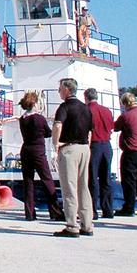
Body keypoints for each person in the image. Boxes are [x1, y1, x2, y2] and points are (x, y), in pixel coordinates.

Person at [51, 77, 94, 238]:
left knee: (69, 188)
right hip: (84, 148)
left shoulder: (65, 107)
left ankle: (71, 225)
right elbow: (90, 130)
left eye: (60, 89)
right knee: (83, 186)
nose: (59, 92)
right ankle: (87, 224)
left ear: (67, 90)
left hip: (69, 148)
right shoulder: (85, 108)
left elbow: (57, 125)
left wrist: (55, 144)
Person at [17, 92, 63, 222]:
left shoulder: (22, 119)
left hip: (26, 150)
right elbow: (48, 133)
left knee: (28, 182)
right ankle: (55, 211)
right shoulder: (39, 119)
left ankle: (30, 213)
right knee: (47, 180)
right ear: (35, 103)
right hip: (38, 151)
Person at [113, 93, 137, 216]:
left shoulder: (126, 116)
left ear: (125, 103)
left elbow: (116, 128)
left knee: (129, 181)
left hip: (130, 152)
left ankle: (129, 208)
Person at [85, 87, 115, 219]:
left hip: (94, 145)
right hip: (107, 145)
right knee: (106, 178)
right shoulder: (107, 111)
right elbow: (112, 127)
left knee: (92, 179)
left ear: (86, 97)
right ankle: (107, 209)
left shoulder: (87, 111)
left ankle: (92, 210)